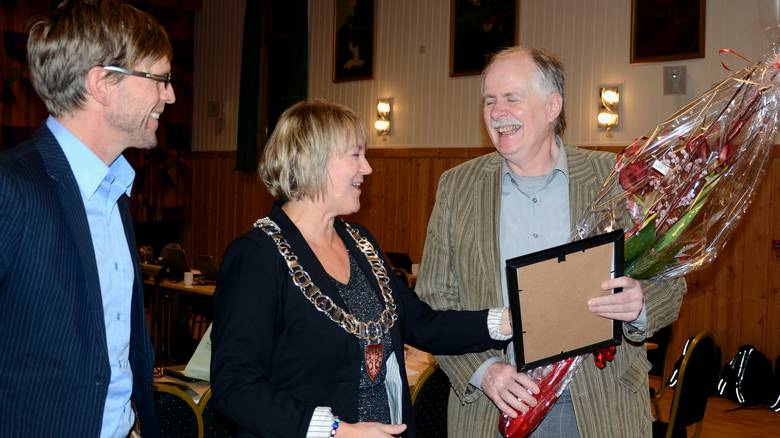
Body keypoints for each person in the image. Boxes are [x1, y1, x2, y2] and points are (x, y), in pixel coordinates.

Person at [415, 46, 687, 437]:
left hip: (597, 407)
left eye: (512, 98)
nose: (496, 111)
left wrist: (640, 301)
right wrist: (484, 372)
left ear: (552, 106)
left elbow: (671, 283)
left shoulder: (611, 178)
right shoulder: (458, 187)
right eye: (489, 101)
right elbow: (434, 299)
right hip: (494, 408)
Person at [210, 99, 512, 438]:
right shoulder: (258, 256)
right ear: (314, 161)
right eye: (355, 155)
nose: (366, 168)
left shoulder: (360, 243)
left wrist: (507, 319)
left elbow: (423, 325)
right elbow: (235, 386)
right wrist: (338, 431)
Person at [0, 0, 175, 436]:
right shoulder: (10, 189)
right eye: (159, 78)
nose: (169, 95)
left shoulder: (114, 190)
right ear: (102, 84)